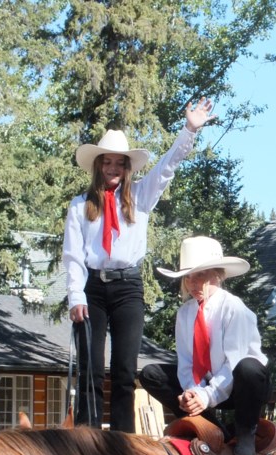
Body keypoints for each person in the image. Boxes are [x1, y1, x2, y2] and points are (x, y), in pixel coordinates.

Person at [63, 97, 217, 432]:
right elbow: (73, 256)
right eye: (107, 162)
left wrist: (189, 129)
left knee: (123, 369)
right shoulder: (80, 206)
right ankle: (86, 441)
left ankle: (121, 442)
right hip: (92, 288)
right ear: (98, 165)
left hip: (128, 287)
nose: (113, 168)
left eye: (120, 163)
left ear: (127, 167)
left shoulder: (141, 197)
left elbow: (167, 166)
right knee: (90, 368)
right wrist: (76, 296)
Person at [139, 236, 272, 455]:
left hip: (243, 387)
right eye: (188, 277)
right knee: (151, 374)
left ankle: (245, 432)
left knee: (248, 368)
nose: (193, 283)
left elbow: (234, 363)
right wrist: (192, 393)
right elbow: (186, 362)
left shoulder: (234, 308)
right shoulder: (185, 313)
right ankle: (211, 427)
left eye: (200, 275)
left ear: (217, 275)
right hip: (207, 385)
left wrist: (206, 395)